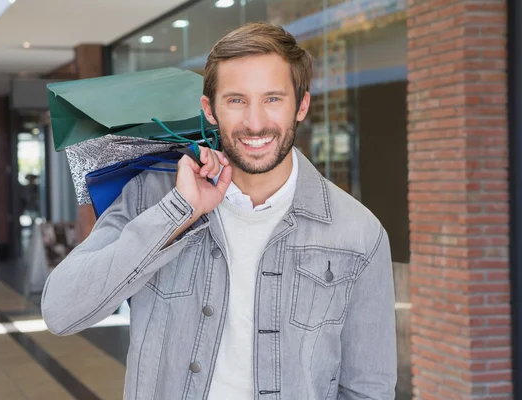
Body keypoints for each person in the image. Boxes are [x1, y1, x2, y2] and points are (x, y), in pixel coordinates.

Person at [42, 22, 397, 399]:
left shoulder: (359, 233)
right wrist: (178, 213)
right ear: (210, 110)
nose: (255, 122)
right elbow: (61, 311)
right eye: (236, 100)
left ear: (302, 105)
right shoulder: (152, 195)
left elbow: (367, 389)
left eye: (272, 99)